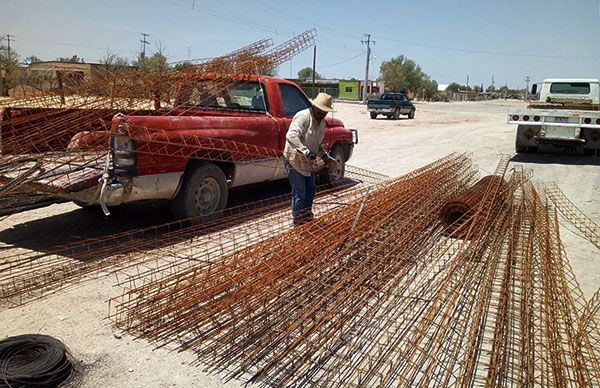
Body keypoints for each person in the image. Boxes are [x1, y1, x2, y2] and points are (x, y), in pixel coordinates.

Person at [283, 92, 337, 225]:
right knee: (300, 193)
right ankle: (298, 223)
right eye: (321, 110)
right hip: (295, 160)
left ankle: (306, 217)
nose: (322, 114)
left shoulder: (322, 123)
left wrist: (325, 157)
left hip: (308, 161)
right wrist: (305, 151)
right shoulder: (304, 117)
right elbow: (291, 136)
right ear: (315, 107)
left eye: (325, 112)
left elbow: (317, 144)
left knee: (311, 190)